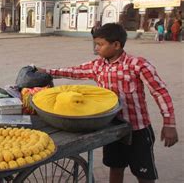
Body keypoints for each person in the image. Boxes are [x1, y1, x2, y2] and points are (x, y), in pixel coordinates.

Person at [37, 23, 178, 183]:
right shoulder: (98, 65)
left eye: (100, 44)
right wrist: (47, 72)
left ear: (116, 45)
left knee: (144, 174)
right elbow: (75, 71)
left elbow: (160, 92)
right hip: (112, 127)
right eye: (95, 44)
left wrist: (169, 124)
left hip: (137, 129)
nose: (96, 49)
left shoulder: (137, 65)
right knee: (115, 167)